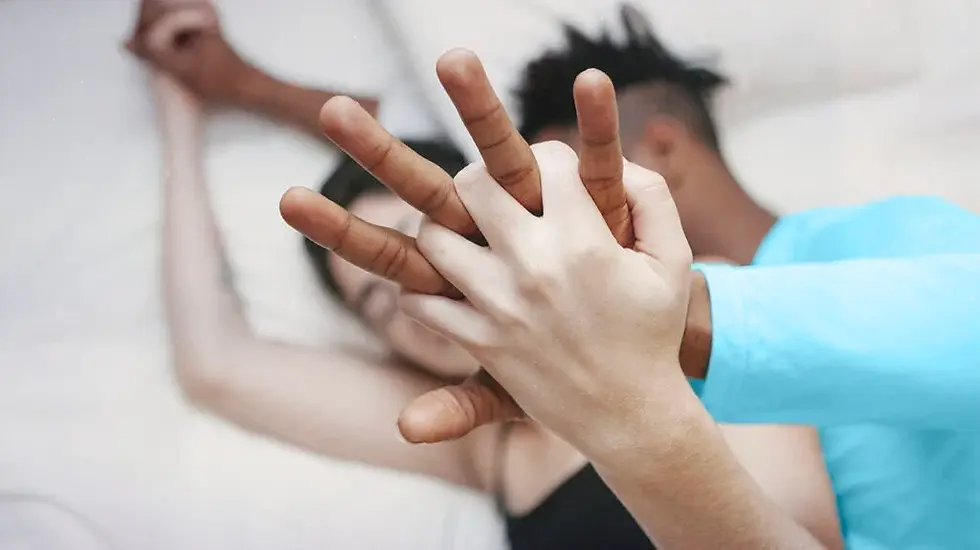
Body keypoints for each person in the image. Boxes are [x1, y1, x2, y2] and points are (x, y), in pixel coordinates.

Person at [130, 2, 843, 549]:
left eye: (434, 247)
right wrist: (177, 110)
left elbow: (808, 530)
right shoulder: (483, 444)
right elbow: (216, 364)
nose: (423, 287)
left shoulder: (686, 306)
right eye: (383, 300)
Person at [279, 7, 980, 550]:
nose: (552, 224)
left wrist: (674, 323)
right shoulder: (606, 378)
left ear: (660, 149)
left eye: (573, 181)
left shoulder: (894, 240)